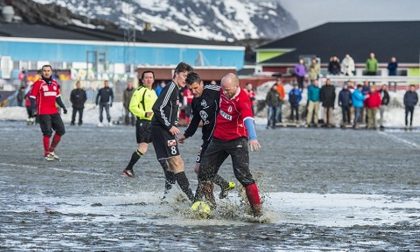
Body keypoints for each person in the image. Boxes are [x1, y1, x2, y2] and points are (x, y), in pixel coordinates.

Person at [193, 73, 263, 217]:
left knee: (242, 176)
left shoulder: (243, 99)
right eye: (223, 89)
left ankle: (257, 212)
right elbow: (204, 87)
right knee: (204, 172)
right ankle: (210, 207)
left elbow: (248, 119)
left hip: (237, 140)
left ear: (237, 86)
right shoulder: (221, 90)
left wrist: (253, 137)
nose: (224, 93)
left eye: (228, 90)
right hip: (218, 139)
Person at [177, 72, 235, 199]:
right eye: (191, 89)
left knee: (204, 170)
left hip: (218, 136)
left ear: (201, 83)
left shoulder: (213, 90)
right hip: (206, 138)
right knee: (198, 170)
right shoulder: (195, 102)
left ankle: (200, 201)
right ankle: (224, 185)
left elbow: (230, 90)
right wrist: (186, 135)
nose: (194, 91)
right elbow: (195, 120)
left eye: (196, 87)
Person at [151, 62, 195, 201]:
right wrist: (169, 126)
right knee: (177, 163)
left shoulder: (176, 90)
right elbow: (157, 108)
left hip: (163, 130)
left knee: (171, 165)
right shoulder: (171, 87)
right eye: (184, 75)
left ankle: (166, 198)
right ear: (176, 74)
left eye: (187, 77)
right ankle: (193, 200)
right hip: (162, 130)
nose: (185, 79)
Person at [29, 65, 67, 161]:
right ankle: (47, 154)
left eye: (48, 71)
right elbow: (32, 97)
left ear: (51, 72)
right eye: (44, 71)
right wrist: (34, 109)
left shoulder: (54, 83)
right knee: (47, 133)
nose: (46, 72)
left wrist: (63, 106)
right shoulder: (38, 83)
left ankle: (51, 151)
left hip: (54, 111)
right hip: (43, 112)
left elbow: (57, 97)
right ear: (42, 72)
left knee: (61, 130)